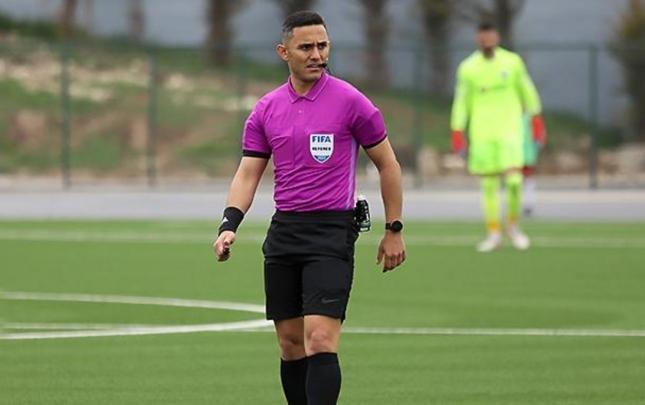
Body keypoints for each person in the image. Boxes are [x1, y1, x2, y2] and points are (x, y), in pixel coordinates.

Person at [212, 11, 406, 405]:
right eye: (306, 47)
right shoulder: (266, 109)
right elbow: (248, 172)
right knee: (290, 343)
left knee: (319, 338)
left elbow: (388, 164)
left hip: (332, 233)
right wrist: (229, 223)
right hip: (284, 232)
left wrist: (394, 228)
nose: (317, 55)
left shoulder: (351, 102)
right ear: (284, 52)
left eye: (323, 46)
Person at [450, 21, 546, 252]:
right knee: (489, 185)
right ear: (477, 38)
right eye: (482, 35)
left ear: (497, 36)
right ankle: (493, 233)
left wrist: (536, 118)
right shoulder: (468, 68)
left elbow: (527, 90)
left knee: (514, 181)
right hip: (482, 134)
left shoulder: (512, 62)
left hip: (510, 131)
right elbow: (462, 100)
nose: (486, 39)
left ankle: (512, 226)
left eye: (490, 35)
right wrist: (457, 129)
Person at [521, 113, 547, 216]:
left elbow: (540, 133)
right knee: (514, 177)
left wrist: (537, 144)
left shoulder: (532, 116)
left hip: (528, 149)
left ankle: (528, 203)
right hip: (514, 149)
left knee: (528, 176)